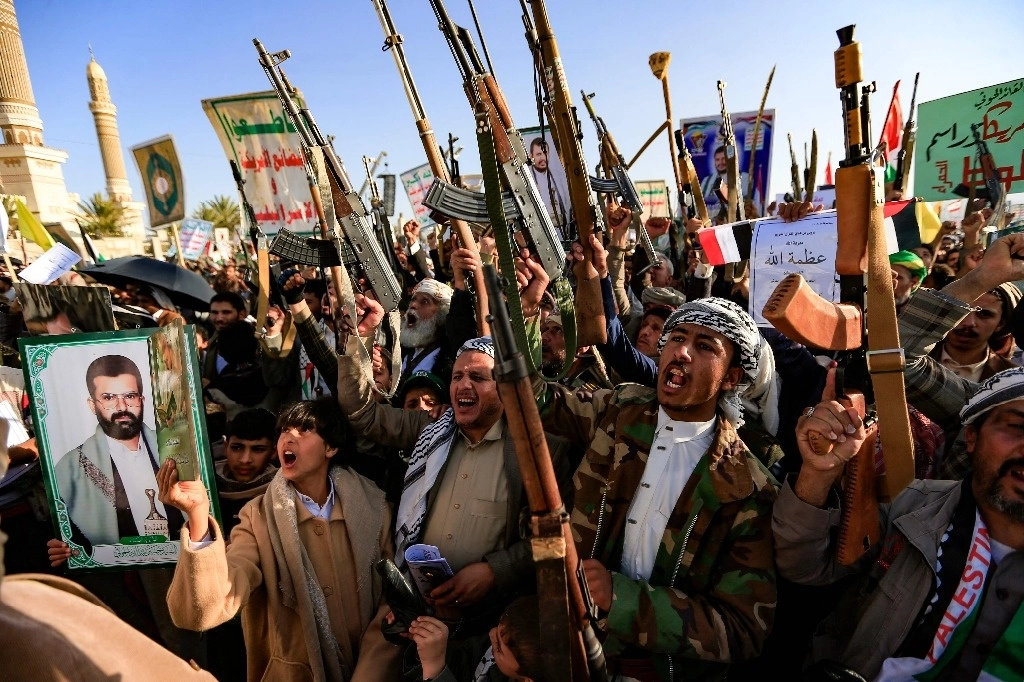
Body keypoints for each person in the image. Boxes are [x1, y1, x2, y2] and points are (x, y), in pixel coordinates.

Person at [533, 295, 778, 680]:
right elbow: (534, 399)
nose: (681, 352)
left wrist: (621, 600)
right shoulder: (620, 409)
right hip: (565, 642)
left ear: (731, 378)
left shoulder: (746, 487)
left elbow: (742, 629)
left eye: (704, 346)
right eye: (676, 337)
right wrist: (527, 312)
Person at [334, 304, 573, 639]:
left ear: (505, 388)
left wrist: (494, 571)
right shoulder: (431, 429)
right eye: (457, 376)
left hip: (489, 628)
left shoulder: (537, 453)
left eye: (478, 378)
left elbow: (556, 542)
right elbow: (362, 414)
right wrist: (359, 341)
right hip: (413, 610)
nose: (463, 386)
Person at [773, 366, 1024, 680]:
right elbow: (803, 567)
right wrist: (817, 473)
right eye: (1018, 427)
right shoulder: (910, 506)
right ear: (972, 437)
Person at [161, 399, 401, 681]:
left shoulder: (374, 511)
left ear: (330, 448)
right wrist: (198, 517)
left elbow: (392, 605)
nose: (289, 437)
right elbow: (210, 605)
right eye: (285, 430)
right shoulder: (257, 518)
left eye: (304, 430)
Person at [53, 354, 182, 548]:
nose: (122, 407)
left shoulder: (175, 447)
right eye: (109, 398)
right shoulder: (71, 467)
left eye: (130, 396)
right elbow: (69, 538)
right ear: (92, 405)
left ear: (142, 400)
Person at [528, 138, 569, 231]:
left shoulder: (560, 176)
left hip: (564, 233)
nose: (543, 158)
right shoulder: (527, 179)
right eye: (538, 154)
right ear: (531, 156)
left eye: (545, 153)